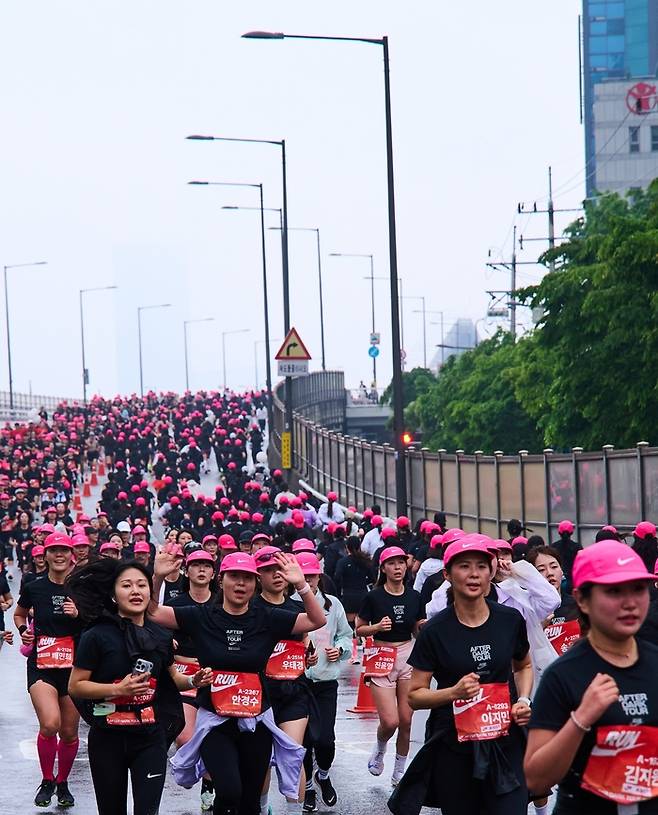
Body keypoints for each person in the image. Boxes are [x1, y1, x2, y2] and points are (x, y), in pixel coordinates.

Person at [148, 547, 326, 815]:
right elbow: (150, 613)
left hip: (256, 721)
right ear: (221, 580)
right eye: (234, 577)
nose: (241, 584)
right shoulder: (202, 616)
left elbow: (316, 619)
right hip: (215, 721)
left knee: (250, 801)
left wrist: (300, 584)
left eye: (248, 578)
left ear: (255, 583)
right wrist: (157, 578)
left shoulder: (267, 618)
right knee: (230, 790)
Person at [389, 536, 532, 815]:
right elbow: (415, 695)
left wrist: (524, 699)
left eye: (481, 566)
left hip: (505, 739)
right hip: (454, 744)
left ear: (491, 572)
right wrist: (453, 693)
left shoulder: (510, 620)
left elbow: (523, 665)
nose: (474, 574)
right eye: (464, 566)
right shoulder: (435, 631)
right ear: (447, 574)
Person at [525, 539, 658, 814]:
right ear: (582, 600)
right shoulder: (563, 675)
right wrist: (580, 719)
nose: (630, 602)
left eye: (638, 589)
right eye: (614, 591)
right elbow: (536, 779)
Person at [67, 558, 207, 815]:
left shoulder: (161, 636)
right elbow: (76, 686)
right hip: (107, 735)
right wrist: (118, 690)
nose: (135, 591)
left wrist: (192, 681)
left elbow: (174, 680)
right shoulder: (96, 635)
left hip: (149, 738)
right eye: (127, 585)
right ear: (113, 593)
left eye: (141, 585)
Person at [14, 531, 82, 808]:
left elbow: (97, 622)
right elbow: (19, 613)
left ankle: (63, 783)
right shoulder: (34, 586)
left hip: (75, 668)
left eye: (63, 550)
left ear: (71, 556)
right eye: (53, 550)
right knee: (50, 724)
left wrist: (79, 615)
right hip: (42, 665)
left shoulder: (80, 588)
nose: (58, 555)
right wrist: (23, 631)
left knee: (68, 733)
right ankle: (46, 779)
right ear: (46, 555)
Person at [356, 545, 424, 785]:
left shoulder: (415, 596)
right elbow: (359, 628)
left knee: (406, 720)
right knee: (391, 721)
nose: (397, 568)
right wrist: (376, 628)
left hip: (407, 655)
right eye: (392, 564)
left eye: (401, 563)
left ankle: (399, 770)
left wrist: (423, 628)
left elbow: (417, 627)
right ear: (383, 568)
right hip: (381, 654)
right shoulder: (373, 596)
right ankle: (380, 748)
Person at [293, 551, 352, 813]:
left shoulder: (333, 605)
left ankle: (324, 776)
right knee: (304, 740)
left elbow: (346, 636)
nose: (309, 580)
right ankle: (306, 790)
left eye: (312, 575)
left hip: (326, 682)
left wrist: (338, 650)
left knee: (325, 739)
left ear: (319, 576)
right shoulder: (289, 604)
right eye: (304, 576)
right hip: (297, 683)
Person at [165, 549, 216, 814]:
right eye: (195, 565)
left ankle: (209, 784)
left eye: (206, 565)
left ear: (213, 573)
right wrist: (167, 639)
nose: (201, 570)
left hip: (216, 676)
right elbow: (154, 624)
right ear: (187, 570)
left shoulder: (222, 602)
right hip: (184, 674)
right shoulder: (176, 604)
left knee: (214, 737)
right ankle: (195, 770)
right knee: (185, 738)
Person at [551, 520, 582, 593]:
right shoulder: (577, 547)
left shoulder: (553, 547)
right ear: (571, 532)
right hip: (572, 581)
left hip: (557, 579)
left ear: (559, 532)